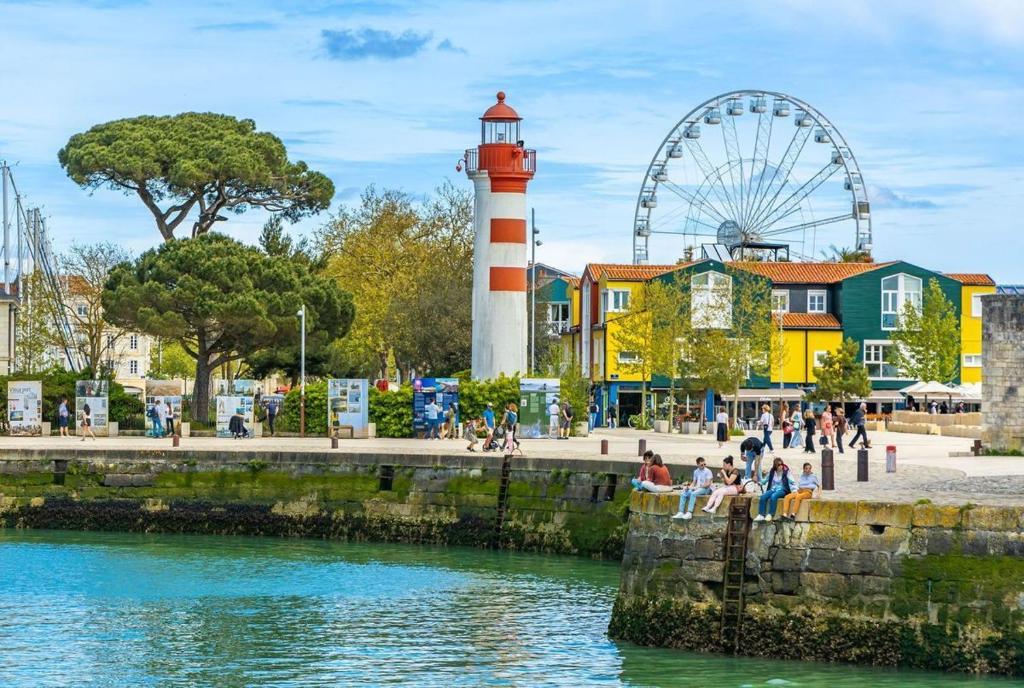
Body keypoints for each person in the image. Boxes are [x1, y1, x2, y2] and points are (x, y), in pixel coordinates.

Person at [754, 456, 793, 522]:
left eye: (781, 464)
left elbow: (791, 480)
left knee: (773, 496)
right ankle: (761, 515)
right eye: (779, 465)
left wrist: (794, 488)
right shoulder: (772, 472)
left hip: (783, 489)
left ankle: (770, 514)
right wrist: (760, 483)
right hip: (773, 488)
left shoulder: (786, 472)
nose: (781, 466)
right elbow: (766, 479)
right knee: (763, 496)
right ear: (775, 466)